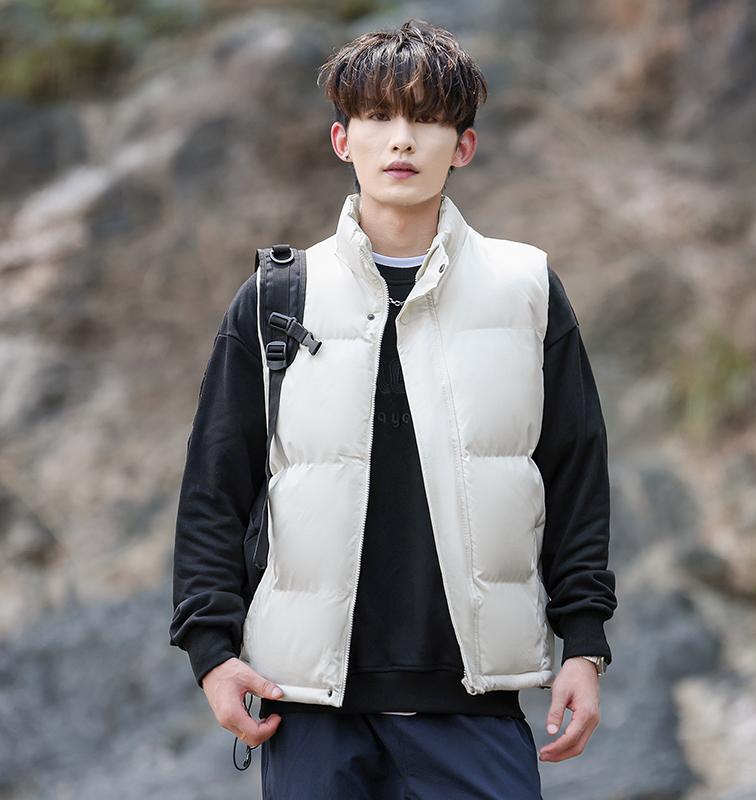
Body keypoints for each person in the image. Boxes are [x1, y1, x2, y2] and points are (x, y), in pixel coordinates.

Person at [169, 18, 617, 799]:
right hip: (311, 712)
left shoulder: (526, 292)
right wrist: (211, 651)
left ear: (463, 146)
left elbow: (576, 478)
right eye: (378, 117)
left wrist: (584, 643)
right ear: (342, 140)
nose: (401, 139)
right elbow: (215, 486)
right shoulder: (278, 297)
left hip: (474, 706)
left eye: (426, 119)